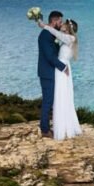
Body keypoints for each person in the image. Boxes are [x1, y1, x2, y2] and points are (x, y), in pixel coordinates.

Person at [38, 18, 82, 140]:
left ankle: (62, 126)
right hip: (60, 70)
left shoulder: (70, 38)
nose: (61, 24)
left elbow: (56, 34)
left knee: (61, 96)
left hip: (62, 71)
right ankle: (58, 125)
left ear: (68, 28)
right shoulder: (66, 38)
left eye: (63, 23)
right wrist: (47, 26)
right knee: (59, 97)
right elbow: (56, 35)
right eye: (60, 22)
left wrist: (45, 26)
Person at [37, 10, 69, 138]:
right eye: (60, 21)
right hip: (47, 73)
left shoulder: (51, 34)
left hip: (50, 72)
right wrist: (63, 67)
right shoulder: (45, 35)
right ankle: (45, 130)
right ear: (54, 21)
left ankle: (48, 126)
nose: (61, 24)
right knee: (48, 101)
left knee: (50, 101)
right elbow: (50, 56)